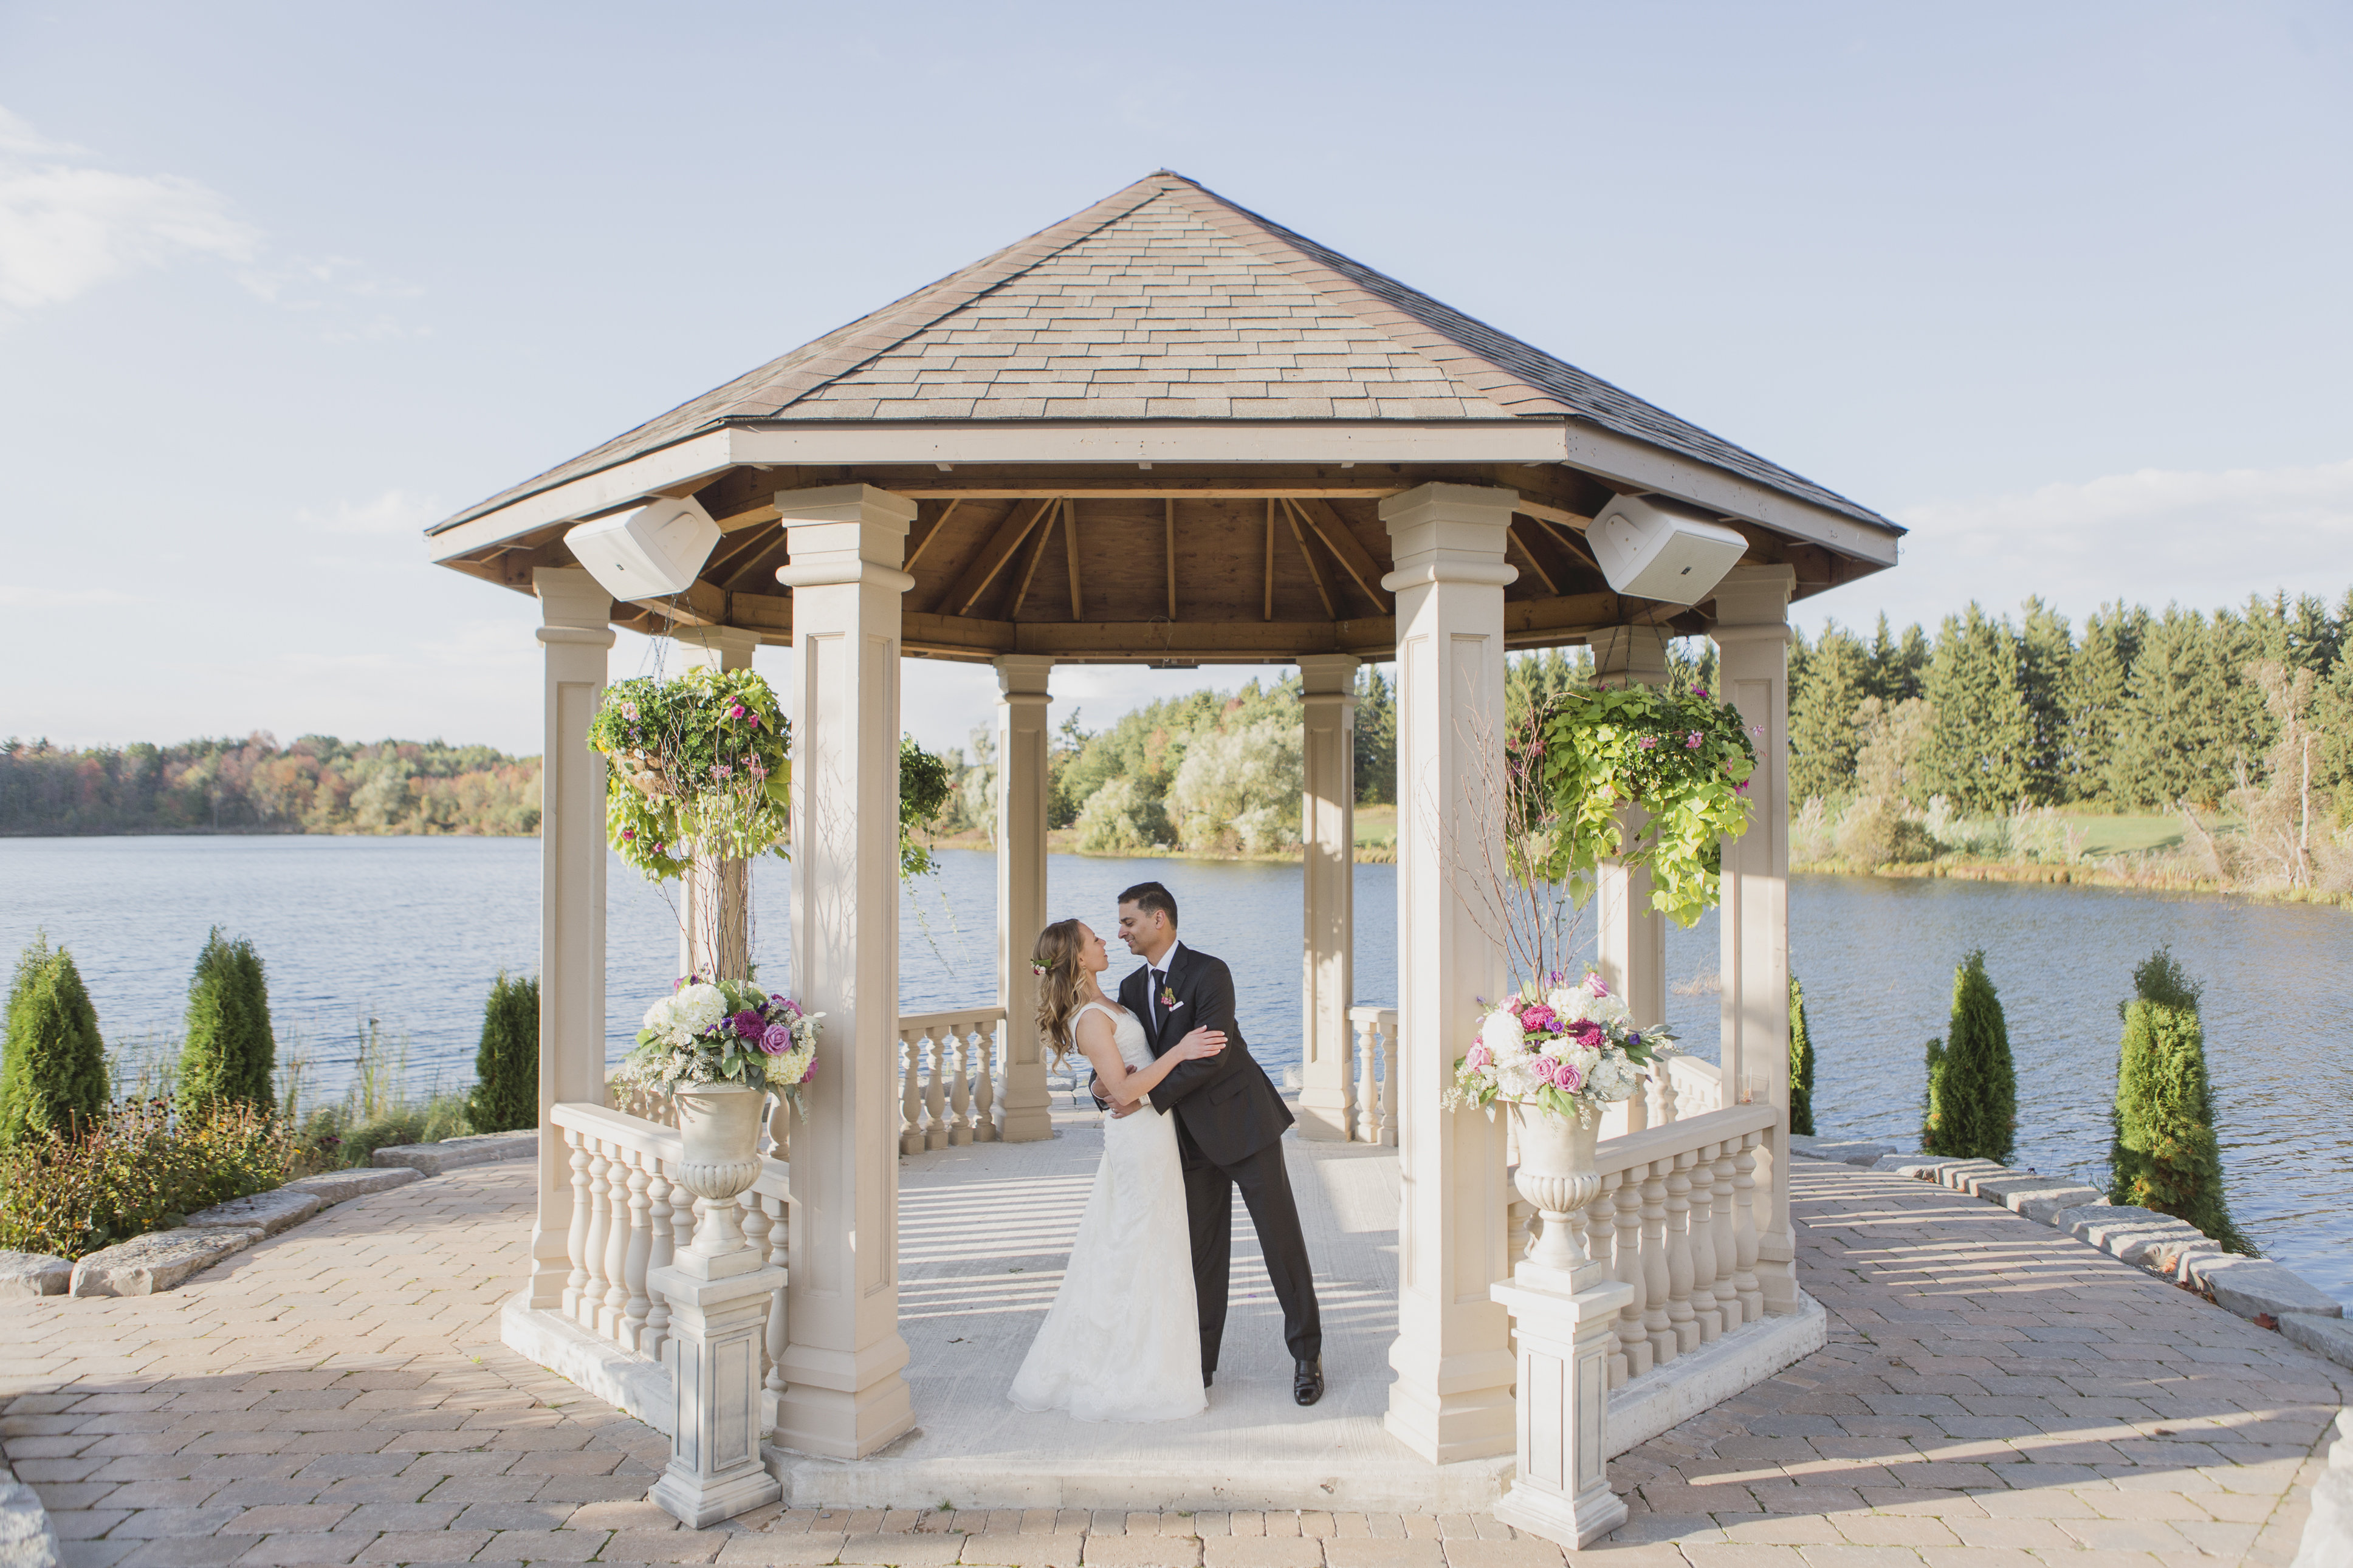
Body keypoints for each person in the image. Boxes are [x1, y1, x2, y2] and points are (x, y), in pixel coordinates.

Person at [1104, 882, 1325, 1406]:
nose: (1121, 932)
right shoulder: (1132, 988)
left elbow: (1213, 1056)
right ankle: (1200, 1365)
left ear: (1160, 919)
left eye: (1129, 922)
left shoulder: (1210, 972)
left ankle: (1306, 1356)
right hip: (1188, 1140)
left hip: (1244, 1125)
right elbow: (1133, 1059)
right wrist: (1116, 1090)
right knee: (1202, 1255)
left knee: (1281, 1244)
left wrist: (1146, 1100)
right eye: (1118, 924)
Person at [1007, 918, 1228, 1422]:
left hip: (1153, 1134)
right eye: (1095, 939)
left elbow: (1116, 1082)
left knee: (1153, 1244)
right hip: (1137, 1140)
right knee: (1136, 1245)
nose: (1107, 940)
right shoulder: (1089, 1018)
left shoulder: (1111, 1002)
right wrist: (1180, 1051)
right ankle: (1124, 1366)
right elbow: (1125, 1092)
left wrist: (1113, 1084)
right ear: (1080, 958)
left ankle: (1159, 1357)